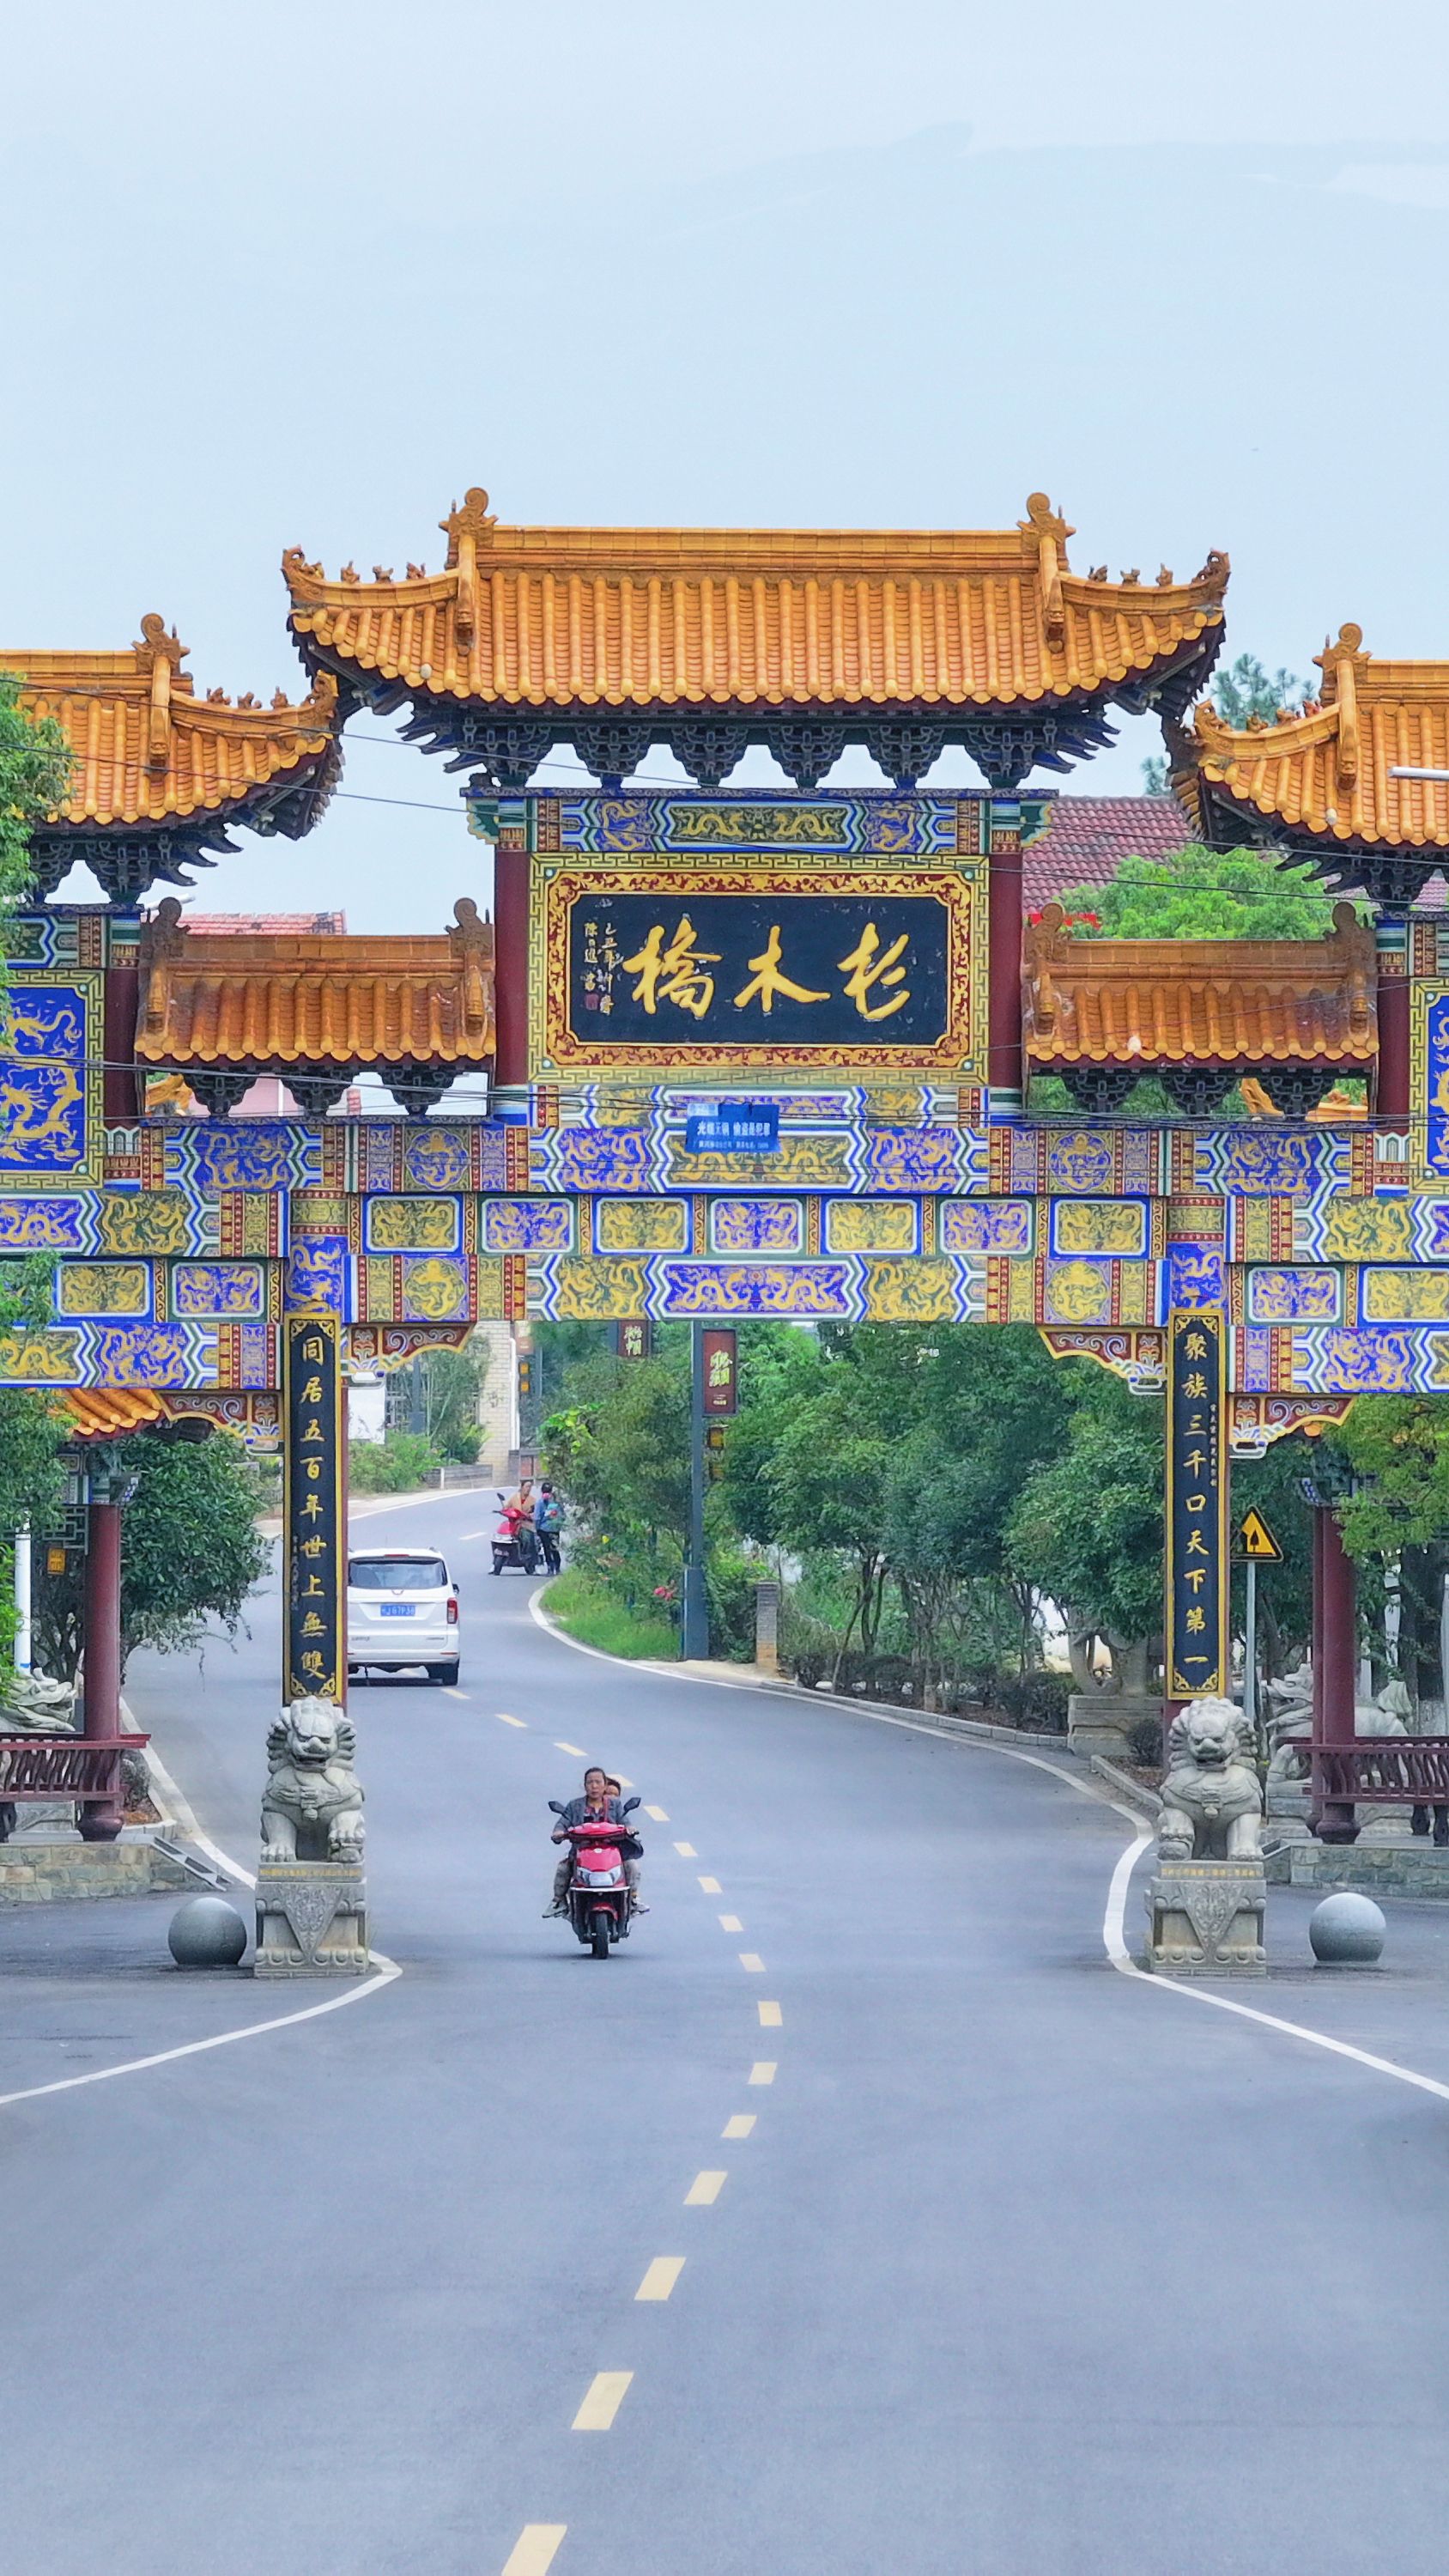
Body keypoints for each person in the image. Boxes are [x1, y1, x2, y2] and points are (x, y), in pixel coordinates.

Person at [544, 1765, 645, 1917]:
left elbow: (625, 1821)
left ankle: (633, 1900)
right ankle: (559, 1901)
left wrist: (630, 1828)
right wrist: (558, 1832)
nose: (594, 1786)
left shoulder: (615, 1805)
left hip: (612, 1854)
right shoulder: (574, 1806)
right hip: (581, 1854)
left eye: (598, 1782)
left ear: (605, 1785)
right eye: (590, 1782)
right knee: (563, 1868)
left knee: (632, 1866)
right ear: (584, 1785)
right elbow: (563, 1822)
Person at [534, 1479, 564, 1574]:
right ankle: (557, 1568)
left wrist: (537, 1529)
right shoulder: (556, 1503)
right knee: (554, 1548)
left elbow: (537, 1518)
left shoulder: (539, 1503)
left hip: (544, 1529)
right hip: (554, 1529)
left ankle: (550, 1568)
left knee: (547, 1549)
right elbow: (562, 1516)